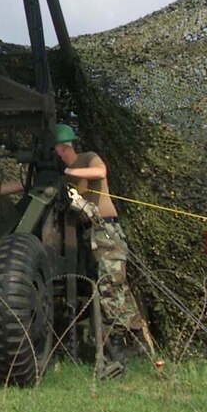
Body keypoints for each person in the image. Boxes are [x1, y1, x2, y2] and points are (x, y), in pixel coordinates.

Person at [53, 122, 153, 356]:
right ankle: (134, 340)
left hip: (106, 232)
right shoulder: (63, 177)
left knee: (111, 286)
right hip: (90, 236)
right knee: (112, 287)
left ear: (62, 148)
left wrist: (70, 172)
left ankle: (119, 340)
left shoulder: (87, 158)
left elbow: (101, 171)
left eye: (58, 149)